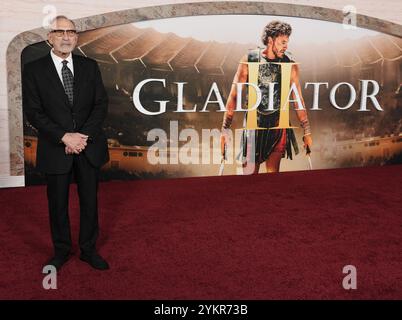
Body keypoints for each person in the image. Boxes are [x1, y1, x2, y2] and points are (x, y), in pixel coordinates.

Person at [23, 15, 110, 271]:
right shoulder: (34, 69)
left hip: (88, 145)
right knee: (57, 203)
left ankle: (88, 249)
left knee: (89, 202)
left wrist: (82, 137)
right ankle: (61, 251)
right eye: (59, 32)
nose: (65, 36)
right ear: (49, 37)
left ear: (76, 37)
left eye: (71, 32)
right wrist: (64, 137)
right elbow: (34, 112)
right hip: (55, 147)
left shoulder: (90, 66)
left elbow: (100, 104)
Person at [221, 21, 313, 174]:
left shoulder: (290, 63)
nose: (286, 46)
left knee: (272, 177)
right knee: (249, 179)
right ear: (270, 40)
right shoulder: (249, 60)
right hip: (253, 125)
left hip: (278, 125)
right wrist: (224, 130)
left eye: (287, 42)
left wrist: (307, 131)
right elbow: (234, 95)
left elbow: (298, 99)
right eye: (282, 42)